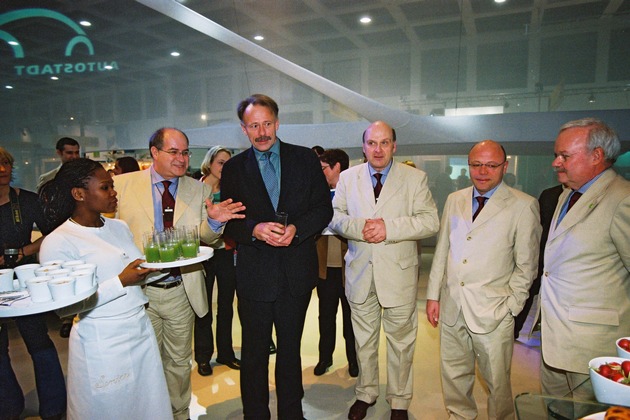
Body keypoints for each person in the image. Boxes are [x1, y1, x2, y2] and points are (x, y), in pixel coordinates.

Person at [113, 127, 245, 420]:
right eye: (174, 152)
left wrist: (213, 223)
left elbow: (203, 238)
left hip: (180, 290)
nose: (182, 159)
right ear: (154, 153)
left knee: (178, 362)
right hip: (137, 292)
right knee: (141, 362)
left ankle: (179, 413)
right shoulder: (122, 186)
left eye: (185, 152)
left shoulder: (197, 189)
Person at [221, 94, 332, 419]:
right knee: (254, 354)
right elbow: (229, 221)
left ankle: (291, 413)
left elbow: (323, 208)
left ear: (277, 123)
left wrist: (297, 229)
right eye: (254, 125)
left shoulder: (305, 160)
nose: (262, 132)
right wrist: (254, 229)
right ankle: (255, 414)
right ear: (244, 129)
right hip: (254, 276)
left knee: (289, 351)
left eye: (267, 123)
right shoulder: (234, 168)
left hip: (295, 275)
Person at [39, 158, 172, 420]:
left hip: (139, 330)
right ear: (79, 194)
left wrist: (164, 267)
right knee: (111, 409)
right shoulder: (59, 242)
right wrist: (121, 280)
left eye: (112, 185)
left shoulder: (118, 227)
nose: (114, 193)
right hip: (102, 339)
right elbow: (64, 308)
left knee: (148, 405)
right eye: (105, 187)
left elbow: (136, 279)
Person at [329, 121, 439, 420]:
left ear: (394, 146)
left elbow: (430, 221)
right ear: (363, 147)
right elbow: (334, 217)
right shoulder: (348, 178)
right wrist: (361, 228)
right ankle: (365, 393)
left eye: (385, 143)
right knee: (363, 342)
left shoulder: (415, 179)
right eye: (372, 143)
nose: (378, 149)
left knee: (401, 344)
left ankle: (400, 401)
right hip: (360, 274)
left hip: (399, 275)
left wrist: (388, 227)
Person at [426, 139, 541, 420]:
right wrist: (433, 295)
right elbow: (443, 249)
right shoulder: (455, 199)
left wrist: (511, 307)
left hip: (493, 310)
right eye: (476, 165)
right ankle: (459, 415)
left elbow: (527, 266)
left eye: (491, 165)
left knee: (497, 383)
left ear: (505, 166)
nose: (483, 171)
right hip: (453, 304)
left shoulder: (523, 206)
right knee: (453, 375)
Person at [540, 118, 630, 400]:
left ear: (597, 156)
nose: (556, 163)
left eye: (564, 155)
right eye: (556, 155)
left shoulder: (622, 199)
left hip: (592, 347)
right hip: (555, 342)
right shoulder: (567, 194)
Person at [0, 147, 67, 420]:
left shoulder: (26, 200)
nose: (2, 169)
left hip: (26, 279)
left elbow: (54, 232)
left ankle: (53, 408)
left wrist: (23, 252)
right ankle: (8, 408)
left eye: (6, 163)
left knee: (38, 341)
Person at [194, 146, 241, 375]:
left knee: (226, 305)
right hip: (201, 254)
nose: (225, 167)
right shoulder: (194, 189)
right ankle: (203, 356)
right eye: (221, 162)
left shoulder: (232, 189)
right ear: (210, 163)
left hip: (225, 250)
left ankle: (225, 353)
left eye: (228, 163)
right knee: (202, 307)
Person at [315, 148, 357, 377]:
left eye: (323, 168)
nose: (320, 173)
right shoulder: (318, 194)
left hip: (349, 267)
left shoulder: (354, 193)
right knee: (325, 317)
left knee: (352, 319)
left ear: (337, 167)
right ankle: (324, 359)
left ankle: (354, 361)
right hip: (325, 269)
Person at [37, 137, 81, 339]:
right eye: (69, 153)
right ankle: (67, 317)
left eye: (76, 152)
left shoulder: (85, 175)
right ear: (59, 154)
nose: (73, 156)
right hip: (61, 231)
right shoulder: (48, 179)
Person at [513, 184, 564, 340]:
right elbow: (537, 226)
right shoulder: (549, 195)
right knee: (528, 292)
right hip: (540, 255)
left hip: (563, 263)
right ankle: (514, 330)